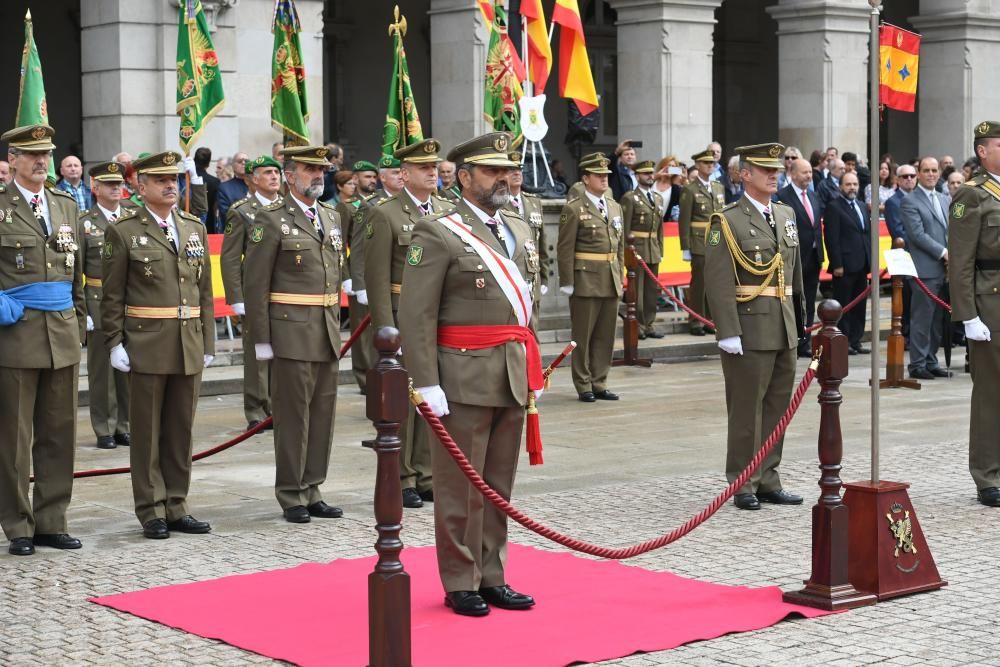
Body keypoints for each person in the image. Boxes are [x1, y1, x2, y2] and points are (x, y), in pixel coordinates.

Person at [398, 131, 540, 617]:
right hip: (460, 375)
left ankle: (492, 573)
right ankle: (460, 579)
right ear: (463, 177)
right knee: (461, 487)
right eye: (491, 171)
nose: (504, 178)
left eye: (508, 170)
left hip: (511, 373)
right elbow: (416, 314)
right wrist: (426, 381)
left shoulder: (518, 229)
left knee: (498, 484)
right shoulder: (438, 232)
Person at [101, 150, 215, 540]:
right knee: (147, 431)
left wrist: (208, 338)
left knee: (180, 429)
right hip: (147, 342)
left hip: (187, 341)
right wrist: (114, 341)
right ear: (140, 186)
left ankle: (177, 504)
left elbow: (204, 289)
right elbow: (112, 295)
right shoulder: (123, 230)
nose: (171, 186)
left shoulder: (192, 226)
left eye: (175, 180)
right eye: (161, 180)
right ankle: (151, 508)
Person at [244, 145, 346, 524]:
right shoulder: (270, 220)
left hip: (325, 331)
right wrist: (262, 340)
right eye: (309, 169)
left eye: (322, 169)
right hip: (289, 332)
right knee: (293, 418)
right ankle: (291, 493)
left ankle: (313, 487)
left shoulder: (331, 217)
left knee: (323, 415)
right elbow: (256, 284)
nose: (318, 175)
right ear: (289, 176)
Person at [703, 142, 805, 511]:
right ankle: (742, 481)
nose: (774, 174)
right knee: (747, 409)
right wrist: (727, 331)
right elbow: (716, 280)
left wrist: (802, 320)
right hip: (749, 327)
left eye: (776, 169)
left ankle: (768, 477)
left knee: (778, 408)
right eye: (765, 169)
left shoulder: (786, 214)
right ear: (744, 174)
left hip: (783, 325)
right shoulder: (726, 220)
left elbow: (795, 276)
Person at [0, 124, 85, 556]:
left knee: (59, 432)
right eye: (31, 154)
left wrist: (80, 320)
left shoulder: (65, 204)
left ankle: (52, 519)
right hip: (15, 333)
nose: (40, 162)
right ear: (12, 159)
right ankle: (18, 525)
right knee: (13, 438)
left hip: (62, 331)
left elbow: (78, 272)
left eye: (46, 154)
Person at [366, 139, 453, 509]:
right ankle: (403, 477)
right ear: (403, 174)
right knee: (403, 401)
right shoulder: (385, 214)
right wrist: (388, 330)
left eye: (434, 167)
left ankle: (427, 471)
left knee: (433, 397)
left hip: (439, 317)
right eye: (423, 168)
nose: (432, 172)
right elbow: (377, 279)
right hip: (403, 316)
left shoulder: (448, 210)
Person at [948, 120, 1000, 507]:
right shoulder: (972, 196)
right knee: (990, 392)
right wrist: (968, 316)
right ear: (983, 151)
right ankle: (987, 475)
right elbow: (961, 263)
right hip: (990, 302)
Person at [220, 155, 283, 430]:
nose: (274, 177)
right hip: (255, 292)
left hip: (284, 291)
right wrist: (236, 298)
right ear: (253, 179)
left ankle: (278, 405)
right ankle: (257, 410)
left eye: (276, 172)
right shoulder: (242, 210)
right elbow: (231, 257)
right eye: (267, 172)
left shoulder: (287, 207)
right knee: (258, 352)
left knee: (282, 351)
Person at [557, 152, 625, 402]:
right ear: (586, 179)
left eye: (606, 175)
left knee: (605, 337)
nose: (604, 179)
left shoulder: (615, 207)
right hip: (585, 280)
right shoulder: (574, 209)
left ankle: (600, 381)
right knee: (583, 337)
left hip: (609, 278)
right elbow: (565, 248)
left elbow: (619, 248)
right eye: (598, 175)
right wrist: (567, 282)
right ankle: (583, 384)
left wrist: (621, 276)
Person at [80, 161, 131, 450]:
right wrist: (83, 310)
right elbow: (77, 272)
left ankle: (124, 425)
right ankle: (104, 428)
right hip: (97, 301)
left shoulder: (132, 218)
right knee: (102, 372)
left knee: (127, 368)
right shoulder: (85, 223)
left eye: (119, 183)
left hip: (128, 301)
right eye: (109, 184)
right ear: (95, 188)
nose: (116, 188)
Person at [901, 157, 951, 380]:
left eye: (934, 170)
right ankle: (918, 363)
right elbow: (917, 235)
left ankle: (931, 360)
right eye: (926, 170)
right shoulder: (910, 201)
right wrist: (943, 252)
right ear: (918, 174)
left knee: (938, 319)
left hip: (945, 268)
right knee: (922, 317)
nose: (931, 174)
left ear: (939, 173)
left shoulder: (944, 198)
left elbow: (951, 230)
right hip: (924, 269)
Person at [336, 160, 379, 393]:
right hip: (358, 273)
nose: (371, 181)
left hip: (378, 272)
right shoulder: (348, 207)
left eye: (373, 176)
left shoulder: (381, 203)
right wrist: (347, 277)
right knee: (362, 332)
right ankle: (364, 377)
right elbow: (340, 244)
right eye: (366, 177)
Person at [777, 157, 824, 358]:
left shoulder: (813, 196)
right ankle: (792, 341)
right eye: (805, 172)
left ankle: (805, 340)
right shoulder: (782, 196)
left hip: (813, 256)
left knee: (810, 300)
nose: (809, 176)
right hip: (794, 257)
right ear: (793, 174)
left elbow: (816, 228)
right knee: (794, 299)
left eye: (810, 172)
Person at [823, 171, 871, 355]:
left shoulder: (861, 205)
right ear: (840, 186)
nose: (852, 188)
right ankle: (844, 341)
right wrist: (837, 264)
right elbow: (831, 238)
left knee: (860, 306)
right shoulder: (834, 207)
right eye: (848, 184)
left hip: (862, 265)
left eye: (855, 184)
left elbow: (865, 234)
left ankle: (856, 340)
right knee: (844, 305)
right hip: (844, 266)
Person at [678, 149, 725, 336]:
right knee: (699, 282)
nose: (710, 166)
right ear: (697, 165)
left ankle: (709, 319)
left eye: (712, 163)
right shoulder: (690, 189)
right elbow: (684, 220)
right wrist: (685, 247)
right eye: (706, 163)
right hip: (698, 239)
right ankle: (696, 320)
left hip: (715, 238)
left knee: (713, 281)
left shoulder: (718, 187)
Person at [620, 160, 664, 338]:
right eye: (646, 174)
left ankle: (649, 323)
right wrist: (626, 253)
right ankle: (637, 325)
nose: (650, 176)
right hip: (637, 249)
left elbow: (659, 228)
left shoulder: (658, 198)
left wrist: (660, 249)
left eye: (651, 173)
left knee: (651, 291)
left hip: (652, 248)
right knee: (637, 291)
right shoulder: (630, 198)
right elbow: (625, 228)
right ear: (637, 176)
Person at [504, 151, 549, 305]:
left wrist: (544, 278)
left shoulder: (534, 203)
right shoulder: (496, 204)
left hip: (532, 276)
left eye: (519, 169)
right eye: (511, 170)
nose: (516, 173)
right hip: (510, 277)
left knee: (534, 327)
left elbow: (541, 244)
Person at [216, 152, 250, 228]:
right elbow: (226, 214)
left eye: (246, 161)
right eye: (240, 161)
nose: (243, 163)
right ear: (233, 166)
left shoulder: (257, 185)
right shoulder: (224, 188)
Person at [192, 147, 220, 232]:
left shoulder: (184, 178)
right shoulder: (214, 182)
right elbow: (216, 207)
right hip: (207, 225)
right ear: (208, 164)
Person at [652, 155, 682, 220]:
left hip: (664, 225)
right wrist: (656, 176)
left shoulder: (675, 189)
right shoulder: (651, 183)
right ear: (662, 166)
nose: (670, 169)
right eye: (668, 165)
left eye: (673, 167)